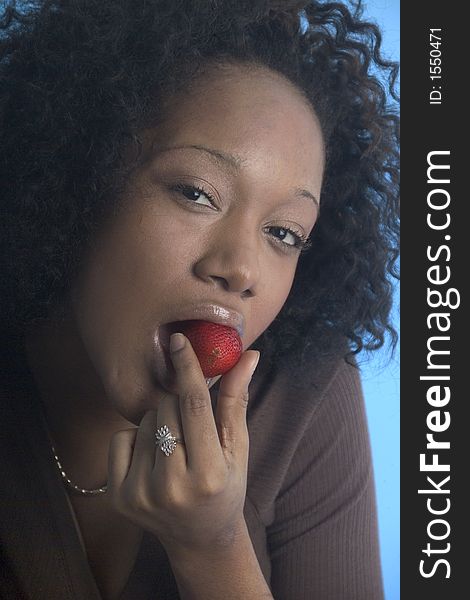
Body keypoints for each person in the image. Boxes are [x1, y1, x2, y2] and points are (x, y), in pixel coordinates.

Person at [0, 1, 399, 599]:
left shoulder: (304, 399)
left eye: (284, 233)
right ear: (82, 176)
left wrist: (214, 551)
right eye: (196, 192)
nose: (240, 270)